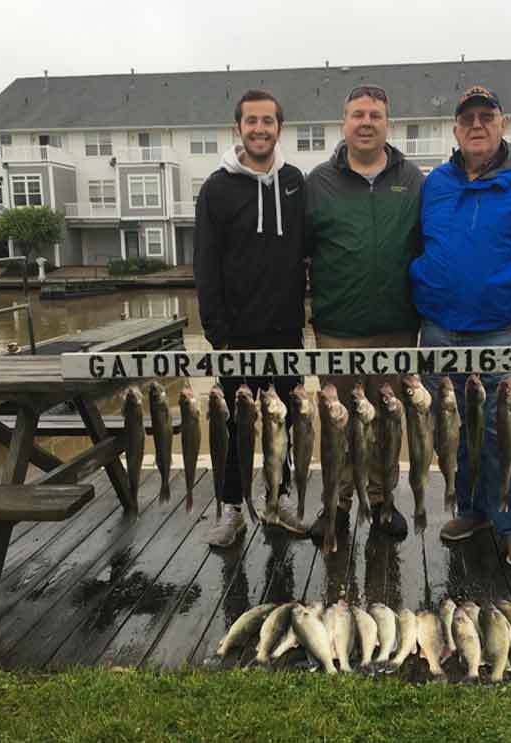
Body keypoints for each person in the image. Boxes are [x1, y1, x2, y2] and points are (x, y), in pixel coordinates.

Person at [410, 85, 511, 568]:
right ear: (456, 131)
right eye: (468, 119)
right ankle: (474, 509)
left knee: (510, 433)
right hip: (438, 329)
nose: (477, 125)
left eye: (487, 116)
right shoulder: (435, 183)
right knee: (454, 429)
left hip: (503, 329)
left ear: (503, 124)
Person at [305, 85, 424, 542]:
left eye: (375, 114)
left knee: (387, 423)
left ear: (387, 123)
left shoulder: (412, 179)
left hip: (396, 327)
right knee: (339, 424)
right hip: (337, 329)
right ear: (345, 122)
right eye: (358, 114)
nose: (367, 122)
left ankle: (381, 500)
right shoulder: (319, 183)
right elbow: (300, 254)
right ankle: (335, 504)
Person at [195, 89, 308, 548]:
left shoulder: (296, 181)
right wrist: (216, 333)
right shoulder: (217, 188)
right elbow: (204, 263)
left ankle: (279, 500)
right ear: (238, 127)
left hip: (285, 331)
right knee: (233, 427)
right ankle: (232, 507)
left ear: (279, 127)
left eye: (268, 121)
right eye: (251, 121)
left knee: (285, 423)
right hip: (235, 335)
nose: (260, 128)